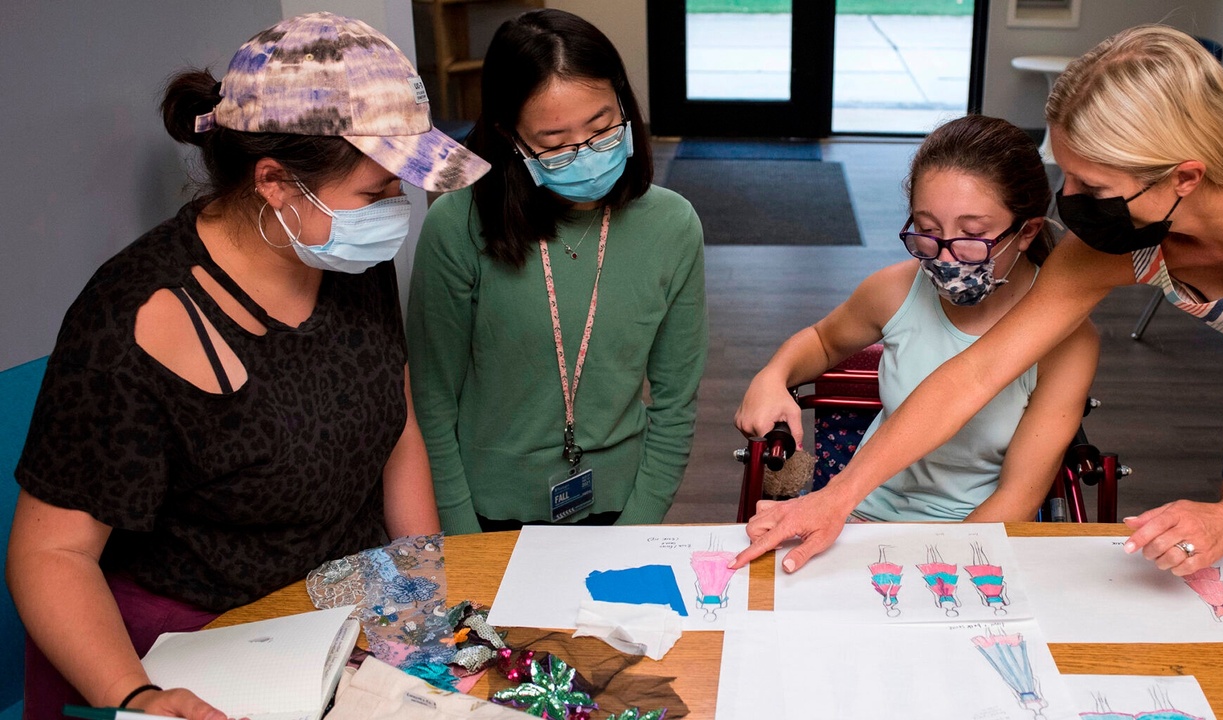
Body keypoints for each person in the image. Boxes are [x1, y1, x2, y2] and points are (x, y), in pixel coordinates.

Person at [735, 24, 1223, 576]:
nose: (1067, 207)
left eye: (1092, 190)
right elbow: (975, 373)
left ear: (1184, 176)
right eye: (1064, 176)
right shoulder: (1124, 237)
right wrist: (839, 495)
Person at [6, 13, 488, 720]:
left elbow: (398, 427)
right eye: (380, 191)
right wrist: (137, 694)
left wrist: (419, 596)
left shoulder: (345, 255)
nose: (399, 211)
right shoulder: (131, 320)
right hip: (192, 647)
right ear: (276, 184)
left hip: (341, 614)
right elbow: (52, 557)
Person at [408, 9, 706, 532]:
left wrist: (635, 526)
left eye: (602, 128)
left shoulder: (672, 224)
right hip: (487, 512)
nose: (587, 154)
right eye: (555, 144)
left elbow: (676, 402)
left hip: (622, 504)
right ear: (511, 137)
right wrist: (462, 537)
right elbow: (433, 402)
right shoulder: (457, 224)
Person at [734, 115, 1098, 523]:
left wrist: (934, 564)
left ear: (1026, 232)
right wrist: (773, 375)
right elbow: (822, 341)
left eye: (970, 237)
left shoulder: (1069, 342)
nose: (943, 258)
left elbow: (1017, 497)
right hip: (858, 510)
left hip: (973, 529)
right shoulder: (894, 291)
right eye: (927, 230)